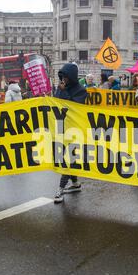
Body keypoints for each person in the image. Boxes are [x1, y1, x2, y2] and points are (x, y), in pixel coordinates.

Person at [53, 63, 88, 203]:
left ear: (71, 77)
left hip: (75, 130)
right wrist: (59, 91)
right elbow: (56, 102)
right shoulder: (61, 88)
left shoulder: (81, 90)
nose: (64, 79)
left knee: (69, 158)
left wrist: (65, 91)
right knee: (66, 157)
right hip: (62, 128)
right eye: (62, 77)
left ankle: (60, 189)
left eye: (66, 77)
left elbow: (73, 106)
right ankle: (75, 184)